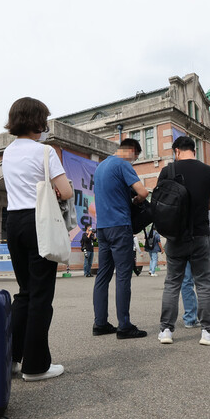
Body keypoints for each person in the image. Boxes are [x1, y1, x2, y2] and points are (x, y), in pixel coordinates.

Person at [3, 97, 73, 382]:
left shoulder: (7, 152)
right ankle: (36, 365)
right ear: (38, 121)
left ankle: (11, 358)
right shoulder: (45, 151)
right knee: (41, 295)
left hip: (14, 223)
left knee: (24, 293)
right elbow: (66, 191)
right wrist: (56, 192)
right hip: (39, 221)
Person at [158, 136, 210, 346]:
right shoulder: (208, 171)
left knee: (172, 283)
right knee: (204, 283)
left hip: (175, 235)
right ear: (193, 150)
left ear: (177, 151)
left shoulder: (167, 171)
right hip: (199, 234)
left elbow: (162, 203)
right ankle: (207, 332)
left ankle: (166, 331)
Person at [92, 139, 149, 339]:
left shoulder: (100, 167)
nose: (134, 161)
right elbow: (143, 191)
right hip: (120, 226)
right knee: (123, 275)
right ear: (131, 151)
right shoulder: (122, 164)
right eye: (136, 157)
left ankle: (100, 324)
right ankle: (124, 325)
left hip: (103, 228)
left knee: (103, 275)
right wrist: (137, 199)